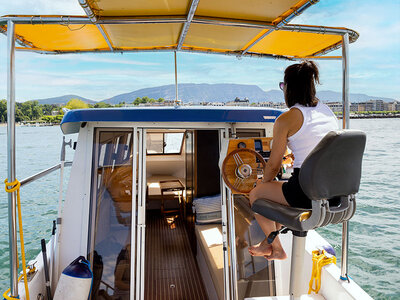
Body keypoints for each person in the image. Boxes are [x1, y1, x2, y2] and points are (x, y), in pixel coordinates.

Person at [248, 60, 338, 260]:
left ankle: (278, 249)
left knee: (257, 195)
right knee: (276, 194)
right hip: (333, 192)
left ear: (289, 87)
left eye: (283, 86)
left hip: (306, 192)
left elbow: (273, 165)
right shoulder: (327, 112)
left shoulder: (286, 119)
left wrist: (264, 184)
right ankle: (268, 242)